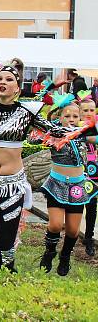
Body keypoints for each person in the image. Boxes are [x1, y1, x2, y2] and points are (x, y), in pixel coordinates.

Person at [0, 58, 94, 272]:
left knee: (7, 236)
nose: (3, 81)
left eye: (9, 79)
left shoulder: (27, 113)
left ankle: (5, 274)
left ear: (17, 88)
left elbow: (58, 132)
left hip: (13, 185)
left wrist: (89, 126)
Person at [37, 96, 97, 276]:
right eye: (67, 116)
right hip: (57, 184)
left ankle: (65, 257)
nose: (71, 119)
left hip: (78, 187)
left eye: (75, 116)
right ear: (59, 117)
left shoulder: (83, 133)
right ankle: (49, 252)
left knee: (73, 230)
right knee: (55, 225)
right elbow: (36, 128)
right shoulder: (53, 134)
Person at [81, 98, 97, 257]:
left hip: (94, 174)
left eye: (92, 110)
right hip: (79, 173)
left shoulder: (95, 128)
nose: (88, 113)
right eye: (85, 110)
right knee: (78, 205)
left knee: (92, 206)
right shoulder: (76, 130)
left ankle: (88, 237)